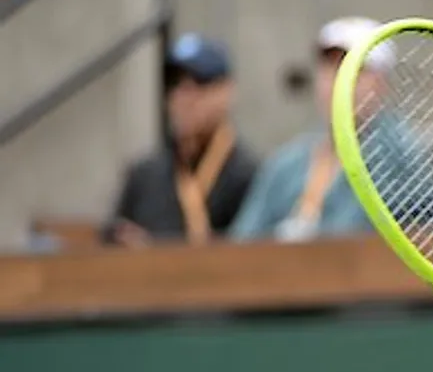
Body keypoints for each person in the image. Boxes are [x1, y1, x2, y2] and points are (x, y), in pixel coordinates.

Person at [230, 17, 393, 242]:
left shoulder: (401, 160)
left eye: (355, 69)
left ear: (381, 82)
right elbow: (242, 241)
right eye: (329, 68)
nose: (338, 81)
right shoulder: (286, 163)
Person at [103, 34, 257, 246]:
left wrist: (153, 250)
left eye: (199, 84)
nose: (184, 98)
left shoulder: (251, 176)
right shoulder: (144, 174)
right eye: (175, 85)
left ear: (226, 91)